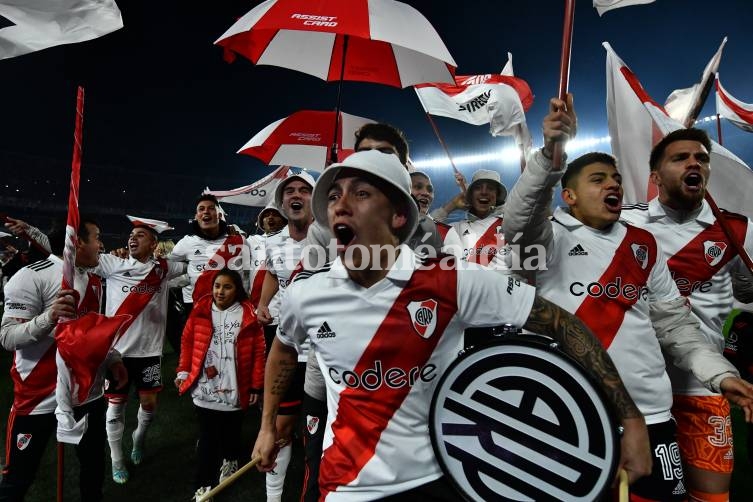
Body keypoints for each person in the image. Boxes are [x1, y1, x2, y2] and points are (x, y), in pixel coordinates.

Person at [252, 149, 653, 500]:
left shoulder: (451, 279)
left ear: (397, 216)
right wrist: (267, 426)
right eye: (335, 195)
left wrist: (630, 419)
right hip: (347, 485)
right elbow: (284, 349)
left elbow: (564, 324)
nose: (339, 204)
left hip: (444, 475)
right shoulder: (306, 295)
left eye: (360, 193)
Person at [503, 96, 753, 501]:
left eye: (615, 178)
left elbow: (674, 325)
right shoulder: (548, 239)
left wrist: (719, 373)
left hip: (652, 413)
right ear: (569, 196)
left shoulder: (643, 243)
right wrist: (550, 153)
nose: (613, 184)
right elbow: (518, 220)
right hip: (573, 407)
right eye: (598, 179)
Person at [621, 128, 753, 501]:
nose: (694, 162)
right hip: (637, 387)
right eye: (680, 158)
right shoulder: (625, 222)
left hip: (702, 384)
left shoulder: (737, 230)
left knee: (711, 496)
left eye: (701, 158)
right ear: (656, 176)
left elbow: (747, 291)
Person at [0, 218, 127, 502]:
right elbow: (7, 337)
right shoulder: (31, 276)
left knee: (93, 472)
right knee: (17, 481)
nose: (101, 244)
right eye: (97, 237)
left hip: (88, 394)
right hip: (38, 399)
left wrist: (112, 359)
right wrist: (49, 317)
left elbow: (89, 333)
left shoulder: (93, 281)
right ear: (78, 242)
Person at [94, 220, 186, 484]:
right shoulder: (113, 265)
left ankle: (137, 440)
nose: (132, 239)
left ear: (153, 244)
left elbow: (196, 263)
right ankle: (116, 459)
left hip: (149, 354)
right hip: (116, 355)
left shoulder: (163, 270)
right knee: (115, 406)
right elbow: (76, 255)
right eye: (131, 235)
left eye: (140, 236)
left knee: (149, 405)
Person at [175, 268, 265, 501]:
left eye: (227, 287)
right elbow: (187, 341)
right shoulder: (200, 310)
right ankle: (203, 485)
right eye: (217, 286)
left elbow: (258, 353)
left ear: (237, 289)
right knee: (207, 437)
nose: (220, 291)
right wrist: (184, 371)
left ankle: (231, 459)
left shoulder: (248, 315)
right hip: (204, 388)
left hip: (236, 387)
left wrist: (256, 386)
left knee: (231, 431)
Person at [255, 171, 316, 502]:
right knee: (281, 428)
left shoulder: (334, 240)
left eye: (305, 190)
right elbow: (272, 274)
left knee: (319, 433)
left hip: (324, 354)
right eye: (289, 191)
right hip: (288, 348)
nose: (296, 195)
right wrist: (263, 302)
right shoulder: (274, 244)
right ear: (281, 202)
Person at [169, 194, 251, 316]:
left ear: (219, 215)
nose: (206, 211)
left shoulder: (239, 241)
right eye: (201, 209)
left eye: (211, 208)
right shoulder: (186, 243)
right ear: (196, 217)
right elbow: (168, 268)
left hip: (233, 307)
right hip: (198, 307)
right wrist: (188, 279)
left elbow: (247, 273)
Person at [247, 202, 287, 309]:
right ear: (261, 222)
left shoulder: (292, 242)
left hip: (281, 310)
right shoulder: (251, 241)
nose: (270, 217)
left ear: (284, 220)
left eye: (275, 214)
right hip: (255, 310)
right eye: (266, 215)